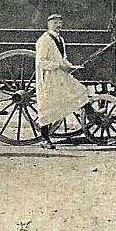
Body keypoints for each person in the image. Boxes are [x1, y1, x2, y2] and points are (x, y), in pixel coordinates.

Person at [33, 14, 90, 150]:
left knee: (80, 90)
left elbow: (63, 58)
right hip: (48, 77)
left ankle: (92, 115)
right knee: (46, 106)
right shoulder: (44, 40)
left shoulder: (60, 39)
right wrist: (58, 65)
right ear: (49, 24)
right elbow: (41, 62)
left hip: (61, 76)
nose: (58, 25)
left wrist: (70, 66)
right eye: (55, 23)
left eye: (59, 23)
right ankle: (45, 139)